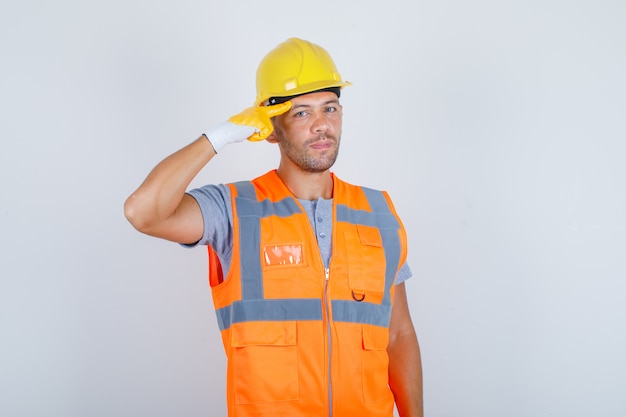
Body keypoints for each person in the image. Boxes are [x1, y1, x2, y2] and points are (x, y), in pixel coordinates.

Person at [124, 37, 423, 417]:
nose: (321, 126)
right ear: (270, 128)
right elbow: (142, 212)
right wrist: (219, 137)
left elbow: (399, 335)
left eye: (330, 108)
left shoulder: (380, 212)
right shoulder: (234, 210)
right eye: (300, 113)